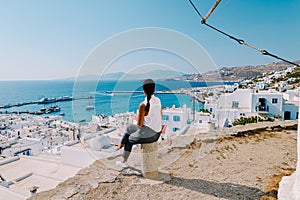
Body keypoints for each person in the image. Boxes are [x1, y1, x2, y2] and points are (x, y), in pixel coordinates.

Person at [108, 79, 162, 168]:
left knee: (129, 141)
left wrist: (138, 118)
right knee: (129, 128)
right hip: (157, 132)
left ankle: (124, 161)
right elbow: (158, 115)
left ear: (144, 91)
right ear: (154, 89)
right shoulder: (158, 100)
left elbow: (139, 126)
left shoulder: (143, 105)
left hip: (150, 135)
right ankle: (119, 147)